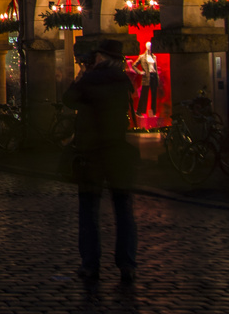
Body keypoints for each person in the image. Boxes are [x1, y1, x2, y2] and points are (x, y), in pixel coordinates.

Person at [64, 38, 138, 289]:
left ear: (101, 58)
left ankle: (90, 264)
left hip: (91, 152)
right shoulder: (122, 79)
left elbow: (69, 99)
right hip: (117, 150)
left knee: (89, 211)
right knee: (124, 211)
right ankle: (127, 264)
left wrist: (84, 75)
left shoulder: (91, 79)